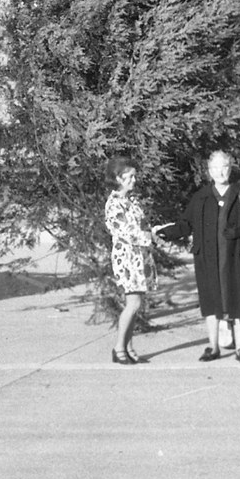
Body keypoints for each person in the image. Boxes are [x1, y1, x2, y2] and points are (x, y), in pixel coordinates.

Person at [157, 149, 240, 364]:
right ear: (209, 171)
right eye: (216, 168)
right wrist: (166, 232)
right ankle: (213, 347)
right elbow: (186, 224)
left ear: (231, 168)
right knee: (211, 303)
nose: (221, 172)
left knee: (238, 302)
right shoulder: (201, 197)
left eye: (225, 167)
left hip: (234, 258)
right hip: (207, 258)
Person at [103, 155, 161, 365]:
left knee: (136, 303)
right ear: (118, 178)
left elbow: (142, 226)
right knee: (133, 303)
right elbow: (126, 232)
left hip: (140, 257)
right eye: (130, 176)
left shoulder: (132, 201)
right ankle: (119, 347)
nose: (134, 180)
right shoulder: (114, 204)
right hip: (127, 258)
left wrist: (155, 232)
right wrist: (150, 237)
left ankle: (128, 346)